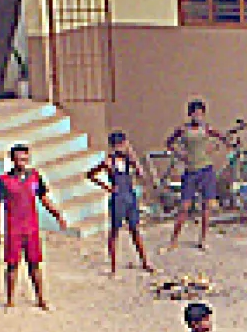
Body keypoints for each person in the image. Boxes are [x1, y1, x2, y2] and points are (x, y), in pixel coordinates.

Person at [0, 144, 68, 309]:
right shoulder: (3, 181)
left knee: (34, 263)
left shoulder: (35, 177)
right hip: (13, 228)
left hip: (32, 227)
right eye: (19, 158)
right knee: (12, 264)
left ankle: (40, 298)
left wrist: (57, 215)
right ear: (12, 160)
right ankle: (10, 299)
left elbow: (43, 198)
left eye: (25, 158)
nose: (22, 162)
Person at [87, 131, 155, 276]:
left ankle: (144, 261)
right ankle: (113, 266)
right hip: (117, 198)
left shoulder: (128, 160)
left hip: (130, 196)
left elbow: (140, 173)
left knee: (135, 229)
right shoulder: (109, 162)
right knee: (114, 231)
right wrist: (107, 187)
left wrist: (132, 153)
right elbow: (90, 174)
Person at [166, 100, 228, 250]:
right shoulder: (183, 130)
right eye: (195, 113)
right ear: (190, 114)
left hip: (206, 170)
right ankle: (174, 239)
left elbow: (224, 138)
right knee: (184, 206)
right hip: (190, 171)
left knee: (207, 206)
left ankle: (203, 239)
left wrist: (214, 147)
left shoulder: (207, 129)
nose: (198, 116)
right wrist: (179, 153)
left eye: (200, 113)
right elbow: (169, 143)